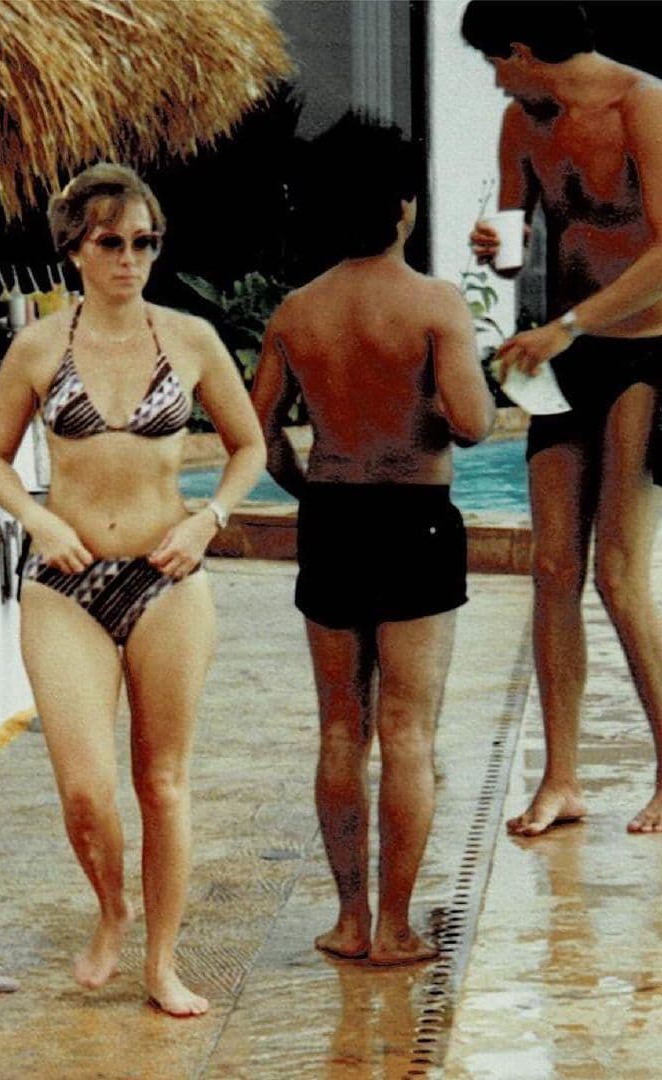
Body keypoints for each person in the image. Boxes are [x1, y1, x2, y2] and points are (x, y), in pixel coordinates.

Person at [0, 163, 265, 1015]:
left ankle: (162, 964)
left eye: (145, 242)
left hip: (165, 577)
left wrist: (207, 519)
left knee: (164, 783)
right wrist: (38, 518)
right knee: (84, 787)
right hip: (65, 584)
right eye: (111, 243)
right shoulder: (37, 348)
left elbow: (249, 445)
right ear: (74, 248)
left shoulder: (192, 339)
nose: (130, 259)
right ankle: (112, 910)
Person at [251, 115, 495, 965]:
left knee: (340, 732)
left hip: (332, 519)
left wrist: (313, 490)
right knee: (410, 733)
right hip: (415, 520)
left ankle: (349, 918)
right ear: (404, 206)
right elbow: (469, 423)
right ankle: (394, 927)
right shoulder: (435, 305)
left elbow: (263, 440)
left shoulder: (295, 311)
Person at [462, 1, 662, 836]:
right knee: (551, 569)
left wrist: (571, 325)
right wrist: (493, 249)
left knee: (618, 573)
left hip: (645, 353)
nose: (496, 82)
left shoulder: (642, 103)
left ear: (521, 49)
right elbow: (519, 243)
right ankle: (561, 779)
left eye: (496, 64)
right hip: (561, 355)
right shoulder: (521, 120)